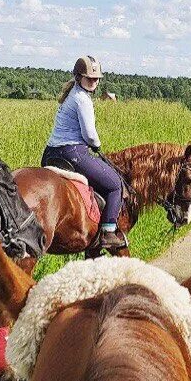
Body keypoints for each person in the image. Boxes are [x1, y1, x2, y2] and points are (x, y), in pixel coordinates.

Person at [41, 55, 127, 250]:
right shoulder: (82, 100)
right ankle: (108, 231)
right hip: (72, 152)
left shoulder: (72, 94)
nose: (94, 82)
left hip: (50, 153)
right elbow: (89, 134)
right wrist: (96, 145)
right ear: (79, 77)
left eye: (96, 79)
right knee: (115, 185)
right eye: (90, 78)